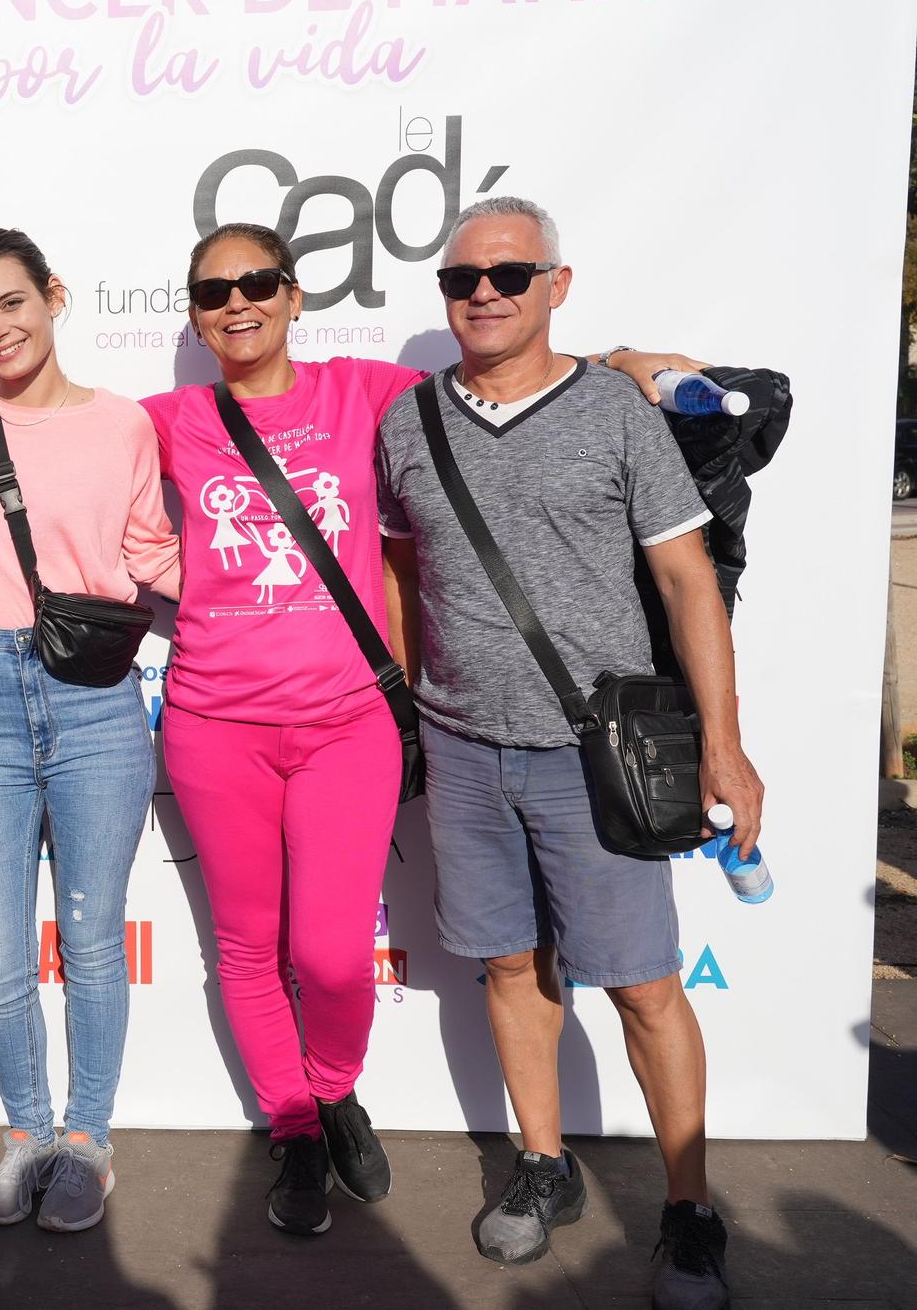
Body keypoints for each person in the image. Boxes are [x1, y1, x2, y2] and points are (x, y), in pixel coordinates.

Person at [0, 221, 692, 1241]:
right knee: (243, 947)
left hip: (345, 724)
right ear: (191, 313)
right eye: (213, 291)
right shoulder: (162, 418)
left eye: (256, 283)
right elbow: (53, 455)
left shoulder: (367, 395)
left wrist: (618, 368)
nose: (237, 304)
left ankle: (332, 1088)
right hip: (210, 721)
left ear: (293, 294)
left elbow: (496, 387)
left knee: (324, 953)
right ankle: (293, 1129)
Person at [375, 196, 760, 1309]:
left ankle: (688, 1208)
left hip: (597, 750)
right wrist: (413, 707)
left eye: (507, 273)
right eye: (460, 280)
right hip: (458, 747)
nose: (482, 293)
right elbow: (404, 574)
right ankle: (542, 1165)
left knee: (643, 987)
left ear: (557, 282)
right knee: (506, 965)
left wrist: (723, 748)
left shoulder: (613, 410)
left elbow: (688, 581)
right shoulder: (409, 422)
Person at [0, 229, 179, 1233]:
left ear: (53, 297)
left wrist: (265, 594)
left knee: (94, 940)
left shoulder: (122, 423)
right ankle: (25, 1136)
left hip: (96, 696)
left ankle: (86, 1140)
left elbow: (148, 550)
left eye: (10, 303)